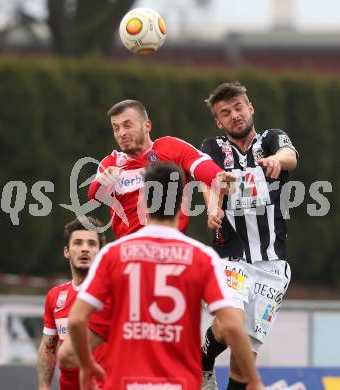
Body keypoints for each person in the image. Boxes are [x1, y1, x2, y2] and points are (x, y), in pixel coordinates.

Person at [68, 163, 265, 390]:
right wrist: (255, 381)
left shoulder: (113, 254)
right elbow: (232, 326)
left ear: (142, 203)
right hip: (179, 383)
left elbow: (76, 320)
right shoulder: (201, 258)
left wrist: (87, 365)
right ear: (183, 204)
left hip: (124, 382)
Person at [199, 82, 298, 390]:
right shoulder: (213, 147)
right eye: (225, 113)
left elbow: (290, 155)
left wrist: (276, 161)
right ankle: (203, 361)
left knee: (244, 364)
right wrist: (213, 207)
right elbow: (208, 180)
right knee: (231, 326)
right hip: (232, 256)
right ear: (219, 121)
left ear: (250, 108)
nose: (235, 116)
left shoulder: (270, 139)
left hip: (271, 264)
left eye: (238, 108)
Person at [88, 99, 235, 238]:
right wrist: (103, 180)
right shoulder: (111, 162)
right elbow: (94, 195)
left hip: (171, 247)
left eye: (127, 125)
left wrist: (220, 181)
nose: (121, 133)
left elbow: (208, 172)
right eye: (116, 128)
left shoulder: (172, 148)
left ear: (147, 125)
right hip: (131, 253)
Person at [37, 217, 109, 390]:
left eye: (92, 244)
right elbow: (48, 348)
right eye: (78, 243)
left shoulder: (111, 294)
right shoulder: (55, 296)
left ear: (100, 252)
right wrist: (43, 386)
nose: (85, 248)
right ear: (66, 251)